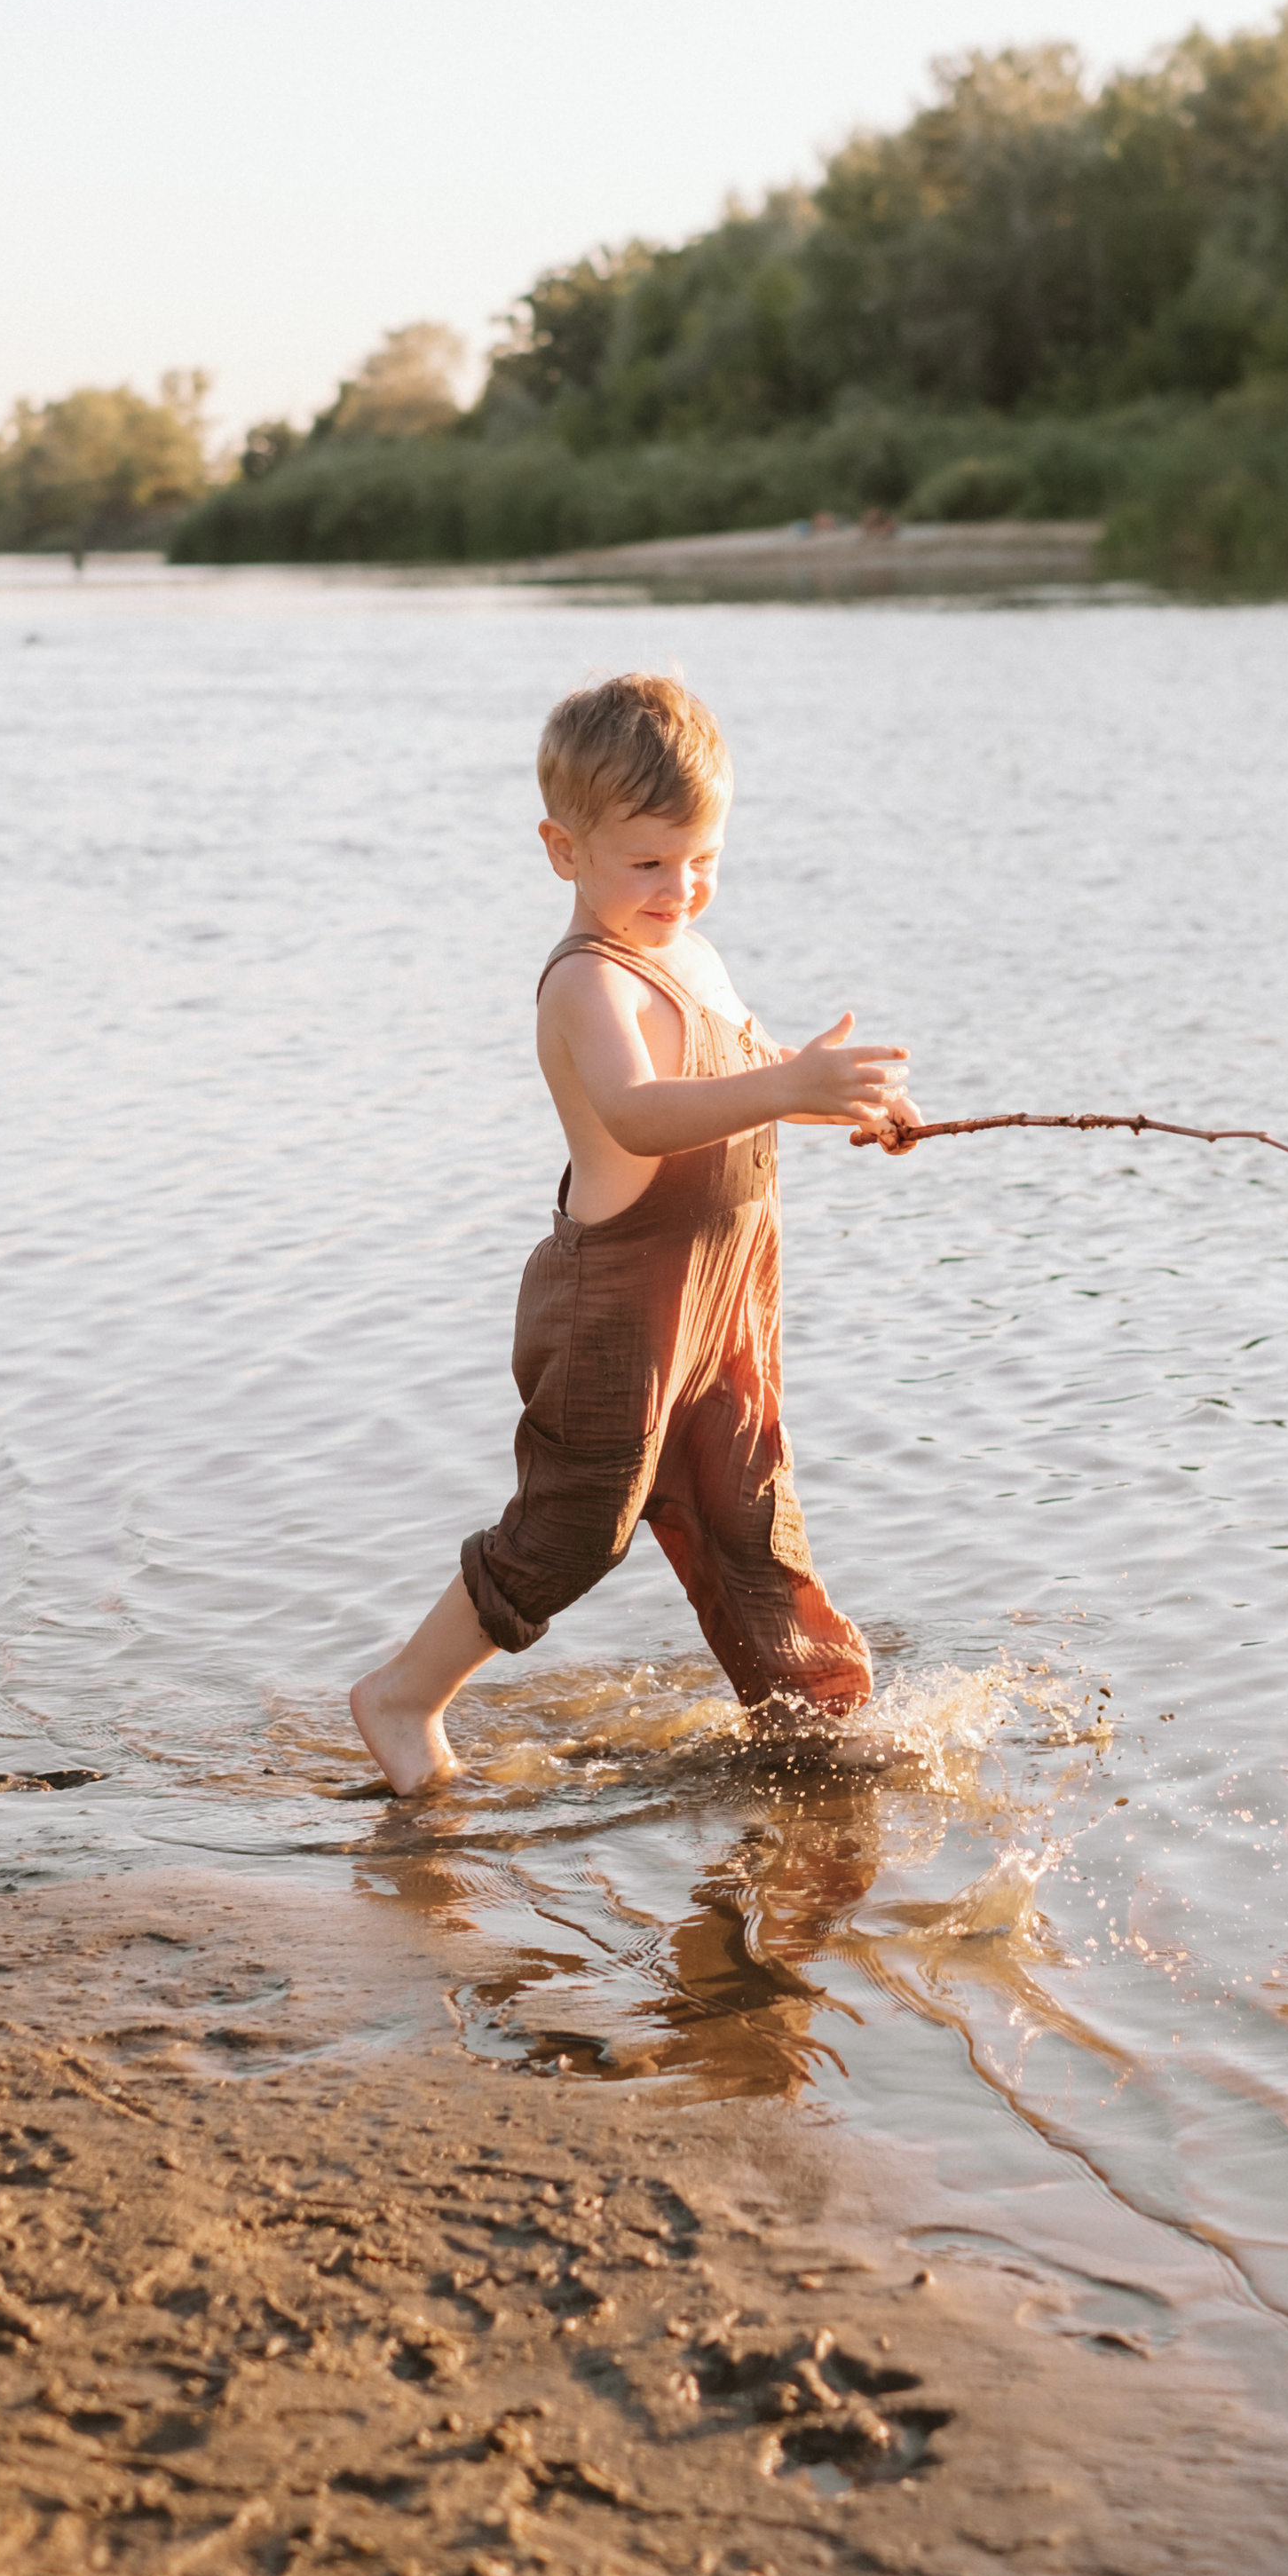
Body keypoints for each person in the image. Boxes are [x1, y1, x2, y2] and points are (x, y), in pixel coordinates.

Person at [349, 670, 918, 1795]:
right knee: (578, 1524)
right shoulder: (585, 984)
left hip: (725, 1300)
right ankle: (402, 1695)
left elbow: (744, 1075)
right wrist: (786, 1083)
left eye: (702, 858)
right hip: (619, 1308)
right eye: (648, 862)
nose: (681, 888)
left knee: (749, 1504)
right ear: (565, 851)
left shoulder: (691, 954)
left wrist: (836, 1097)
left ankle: (813, 1723)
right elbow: (638, 1112)